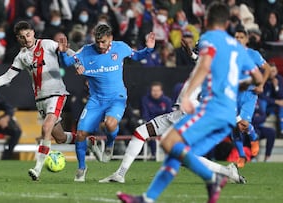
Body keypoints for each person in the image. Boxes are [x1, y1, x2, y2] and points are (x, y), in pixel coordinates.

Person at [116, 2, 263, 203]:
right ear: (227, 22)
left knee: (172, 145)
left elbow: (204, 66)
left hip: (209, 110)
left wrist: (188, 94)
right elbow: (257, 78)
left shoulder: (210, 38)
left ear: (208, 20)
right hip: (226, 116)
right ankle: (150, 197)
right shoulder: (236, 48)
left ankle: (213, 178)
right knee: (177, 150)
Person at [99, 40, 247, 185]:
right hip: (180, 114)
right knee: (141, 132)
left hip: (189, 115)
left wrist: (238, 118)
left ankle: (228, 172)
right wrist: (191, 55)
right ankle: (120, 174)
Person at [0, 21, 80, 180]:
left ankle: (37, 169)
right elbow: (7, 77)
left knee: (46, 128)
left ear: (33, 32)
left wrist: (77, 62)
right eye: (22, 37)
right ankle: (88, 141)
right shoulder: (22, 56)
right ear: (18, 39)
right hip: (40, 99)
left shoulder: (46, 44)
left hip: (57, 94)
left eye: (28, 34)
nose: (26, 39)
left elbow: (67, 50)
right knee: (60, 137)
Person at [58, 23, 156, 182]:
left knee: (110, 124)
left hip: (116, 97)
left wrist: (149, 49)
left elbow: (137, 56)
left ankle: (109, 145)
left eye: (103, 41)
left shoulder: (121, 47)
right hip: (96, 100)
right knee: (81, 134)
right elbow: (67, 63)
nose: (100, 45)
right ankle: (81, 168)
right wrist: (63, 53)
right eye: (98, 41)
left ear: (110, 38)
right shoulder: (86, 51)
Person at [232, 26, 271, 168]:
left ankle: (253, 136)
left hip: (249, 94)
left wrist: (261, 85)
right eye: (236, 37)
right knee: (234, 127)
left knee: (243, 123)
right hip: (233, 94)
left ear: (246, 39)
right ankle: (241, 155)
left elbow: (267, 69)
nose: (238, 39)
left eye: (241, 37)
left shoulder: (253, 54)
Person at [140, 81, 172, 159]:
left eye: (157, 91)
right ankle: (153, 154)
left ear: (161, 91)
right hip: (151, 124)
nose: (155, 93)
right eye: (154, 91)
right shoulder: (145, 100)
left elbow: (170, 116)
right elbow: (145, 115)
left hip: (165, 125)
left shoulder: (167, 101)